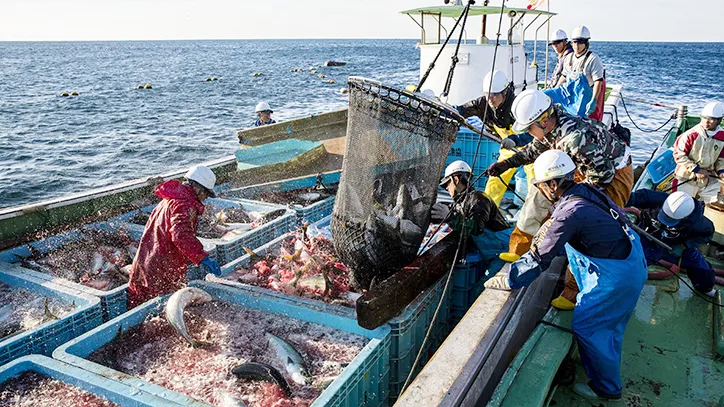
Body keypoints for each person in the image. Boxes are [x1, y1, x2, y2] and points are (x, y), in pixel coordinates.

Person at [484, 150, 647, 401]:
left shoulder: (569, 212)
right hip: (631, 263)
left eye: (539, 185)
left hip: (615, 278)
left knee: (588, 325)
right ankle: (602, 360)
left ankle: (607, 388)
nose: (538, 190)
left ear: (552, 184)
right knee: (610, 323)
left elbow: (540, 257)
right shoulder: (586, 190)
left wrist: (510, 279)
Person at [486, 89, 633, 309]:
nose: (529, 133)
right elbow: (533, 150)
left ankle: (573, 291)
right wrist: (505, 164)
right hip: (580, 167)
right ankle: (520, 248)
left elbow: (604, 175)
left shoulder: (573, 140)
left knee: (585, 224)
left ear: (544, 121)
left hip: (612, 175)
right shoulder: (550, 129)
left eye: (529, 128)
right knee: (538, 193)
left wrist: (569, 202)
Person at [127, 165, 222, 308]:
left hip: (146, 260)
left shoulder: (171, 198)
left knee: (140, 306)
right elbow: (180, 235)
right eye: (205, 194)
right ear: (197, 188)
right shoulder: (184, 204)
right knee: (161, 309)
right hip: (160, 267)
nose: (205, 198)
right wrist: (202, 256)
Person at [455, 70, 534, 206]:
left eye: (494, 95)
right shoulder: (482, 104)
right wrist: (448, 111)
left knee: (534, 181)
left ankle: (535, 215)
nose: (490, 99)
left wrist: (515, 140)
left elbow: (531, 133)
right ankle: (488, 211)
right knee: (495, 179)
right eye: (487, 95)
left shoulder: (517, 106)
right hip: (507, 147)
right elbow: (460, 110)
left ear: (505, 91)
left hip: (528, 147)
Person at [625, 189, 716, 296]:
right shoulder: (654, 198)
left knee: (700, 267)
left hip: (675, 245)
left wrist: (684, 245)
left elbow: (706, 235)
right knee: (631, 265)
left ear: (685, 218)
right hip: (647, 238)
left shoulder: (701, 225)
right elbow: (629, 197)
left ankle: (705, 287)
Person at [431, 160, 510, 262]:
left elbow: (476, 228)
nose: (446, 188)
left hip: (501, 249)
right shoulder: (461, 201)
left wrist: (451, 217)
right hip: (487, 248)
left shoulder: (479, 199)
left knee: (493, 278)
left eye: (447, 183)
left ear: (456, 179)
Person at [671, 101, 724, 203]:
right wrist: (696, 169)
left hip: (709, 180)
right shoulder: (691, 135)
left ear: (719, 120)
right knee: (679, 204)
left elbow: (721, 159)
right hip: (686, 178)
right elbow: (679, 155)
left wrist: (721, 171)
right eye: (704, 118)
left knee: (719, 202)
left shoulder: (722, 137)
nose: (706, 122)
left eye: (711, 119)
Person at [555, 26, 606, 121]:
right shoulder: (569, 57)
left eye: (580, 42)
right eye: (575, 42)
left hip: (583, 100)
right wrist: (556, 89)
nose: (577, 46)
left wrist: (593, 100)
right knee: (545, 96)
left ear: (586, 43)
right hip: (570, 97)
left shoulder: (593, 59)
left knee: (578, 120)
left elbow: (598, 82)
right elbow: (564, 76)